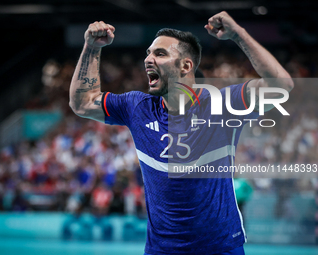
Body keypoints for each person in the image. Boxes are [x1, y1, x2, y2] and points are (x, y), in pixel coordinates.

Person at [69, 11, 293, 255]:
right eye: (148, 53)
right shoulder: (137, 107)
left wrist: (238, 34)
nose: (148, 59)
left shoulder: (221, 105)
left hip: (219, 248)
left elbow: (281, 86)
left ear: (186, 65)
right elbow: (82, 103)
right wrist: (91, 47)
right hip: (161, 250)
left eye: (160, 53)